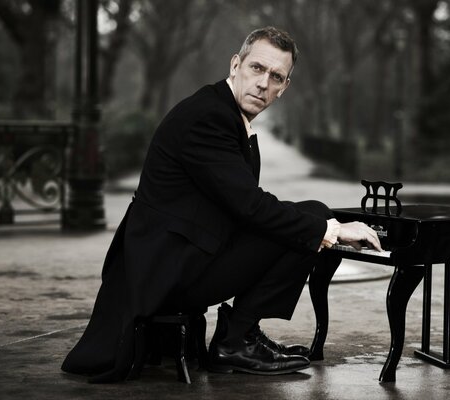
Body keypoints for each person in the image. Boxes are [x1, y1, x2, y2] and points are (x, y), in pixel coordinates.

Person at [61, 26, 381, 382]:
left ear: (284, 87)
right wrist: (332, 230)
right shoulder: (208, 117)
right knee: (314, 222)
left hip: (187, 255)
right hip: (166, 273)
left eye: (276, 76)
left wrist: (322, 225)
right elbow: (249, 206)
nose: (263, 83)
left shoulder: (222, 110)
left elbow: (239, 205)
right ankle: (235, 340)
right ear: (235, 65)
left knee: (311, 213)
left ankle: (240, 333)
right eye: (257, 69)